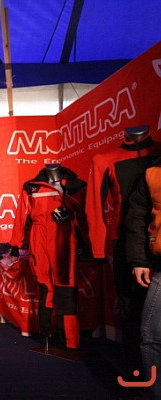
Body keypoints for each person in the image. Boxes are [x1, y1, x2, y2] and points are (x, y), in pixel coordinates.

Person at [85, 125, 161, 385]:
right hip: (126, 243)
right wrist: (97, 248)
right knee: (131, 312)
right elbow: (94, 206)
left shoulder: (158, 152)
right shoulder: (105, 159)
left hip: (156, 239)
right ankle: (136, 376)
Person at [10, 163, 90, 350]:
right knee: (45, 286)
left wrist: (89, 244)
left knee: (66, 287)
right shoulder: (31, 187)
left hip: (64, 236)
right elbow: (22, 215)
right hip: (39, 236)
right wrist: (16, 242)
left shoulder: (76, 186)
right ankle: (46, 335)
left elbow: (85, 217)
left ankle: (70, 341)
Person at [125, 160, 161, 400]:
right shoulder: (152, 173)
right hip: (160, 265)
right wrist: (139, 260)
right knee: (151, 338)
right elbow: (136, 216)